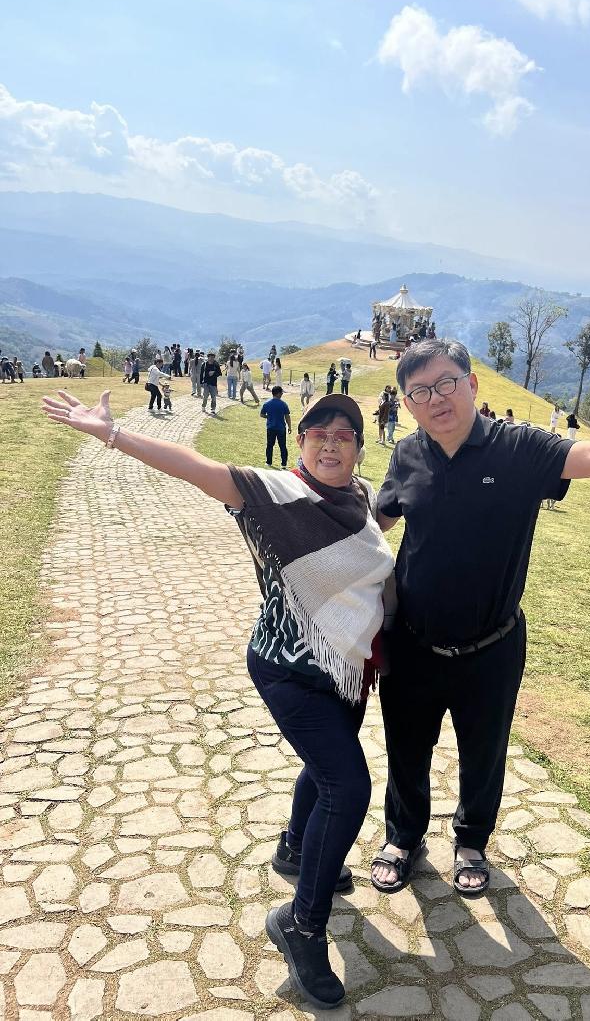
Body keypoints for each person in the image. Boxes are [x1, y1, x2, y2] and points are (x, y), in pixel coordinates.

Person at [40, 388, 394, 1011]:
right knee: (348, 787)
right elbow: (195, 467)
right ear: (301, 443)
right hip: (289, 669)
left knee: (325, 767)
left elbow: (370, 540)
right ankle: (302, 926)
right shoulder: (274, 494)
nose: (331, 445)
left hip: (345, 665)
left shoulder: (357, 499)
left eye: (345, 436)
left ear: (359, 450)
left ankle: (295, 847)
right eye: (319, 434)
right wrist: (112, 434)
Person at [369, 331, 590, 896]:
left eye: (446, 383)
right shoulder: (407, 454)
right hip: (413, 642)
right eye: (420, 391)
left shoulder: (519, 448)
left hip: (492, 646)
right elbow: (377, 523)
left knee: (485, 751)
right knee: (406, 747)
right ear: (407, 403)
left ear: (472, 384)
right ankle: (404, 837)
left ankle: (471, 841)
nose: (436, 399)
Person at [260, 385, 292, 469]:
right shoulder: (283, 404)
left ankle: (268, 462)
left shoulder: (267, 403)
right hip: (281, 428)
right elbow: (287, 416)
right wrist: (289, 427)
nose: (282, 394)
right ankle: (284, 464)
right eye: (281, 392)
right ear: (278, 393)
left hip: (270, 427)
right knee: (283, 446)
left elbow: (262, 414)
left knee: (270, 445)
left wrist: (268, 417)